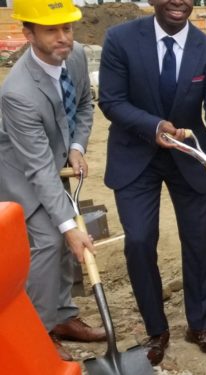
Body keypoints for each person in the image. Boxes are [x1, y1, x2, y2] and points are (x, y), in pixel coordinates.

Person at [99, 0, 206, 365]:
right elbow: (112, 100)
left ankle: (199, 325)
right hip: (135, 152)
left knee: (198, 240)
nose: (179, 1)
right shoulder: (120, 39)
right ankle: (156, 329)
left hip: (189, 157)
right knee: (140, 240)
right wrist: (154, 126)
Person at [0, 0, 105, 361]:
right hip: (19, 167)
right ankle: (39, 330)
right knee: (49, 239)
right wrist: (68, 228)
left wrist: (76, 146)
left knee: (64, 239)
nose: (63, 38)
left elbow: (86, 108)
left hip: (55, 156)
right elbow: (38, 169)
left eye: (67, 28)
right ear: (27, 33)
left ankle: (62, 316)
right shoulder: (17, 92)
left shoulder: (73, 57)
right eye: (51, 30)